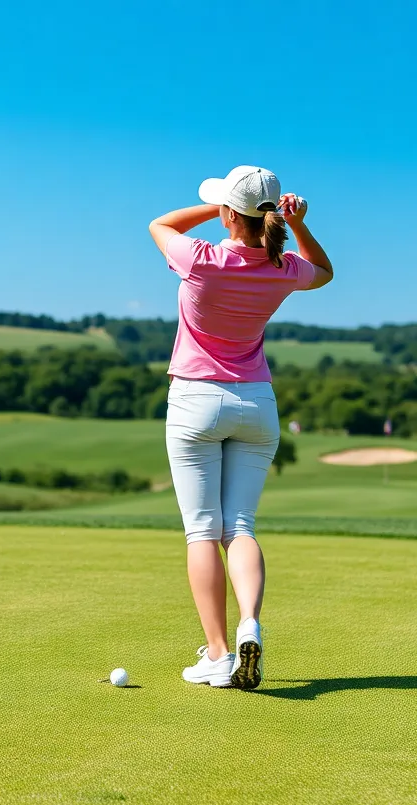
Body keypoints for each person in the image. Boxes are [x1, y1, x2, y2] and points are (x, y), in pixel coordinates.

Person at [148, 166, 333, 690]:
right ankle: (250, 622)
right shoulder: (283, 267)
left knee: (202, 531)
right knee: (241, 528)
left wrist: (219, 207)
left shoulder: (201, 258)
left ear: (229, 213)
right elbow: (324, 271)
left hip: (195, 402)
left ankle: (217, 654)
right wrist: (296, 223)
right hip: (257, 405)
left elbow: (160, 225)